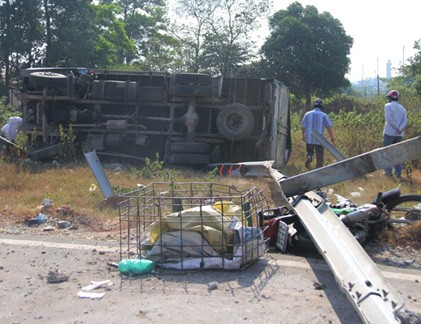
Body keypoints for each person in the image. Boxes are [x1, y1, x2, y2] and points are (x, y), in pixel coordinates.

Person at [301, 98, 334, 169]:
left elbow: (303, 126)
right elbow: (328, 128)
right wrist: (332, 137)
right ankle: (318, 169)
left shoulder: (307, 114)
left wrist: (303, 136)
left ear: (314, 105)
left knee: (309, 151)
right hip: (319, 139)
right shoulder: (323, 115)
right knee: (319, 155)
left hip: (309, 138)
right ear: (321, 106)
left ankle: (309, 157)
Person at [382, 90, 408, 178]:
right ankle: (398, 173)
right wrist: (400, 129)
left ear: (389, 98)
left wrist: (396, 127)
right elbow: (405, 120)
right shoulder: (402, 108)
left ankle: (388, 172)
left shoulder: (387, 106)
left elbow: (389, 119)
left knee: (386, 153)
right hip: (399, 134)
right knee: (397, 154)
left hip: (389, 133)